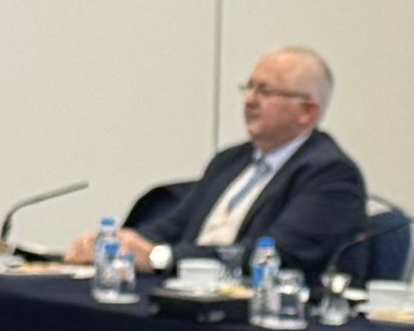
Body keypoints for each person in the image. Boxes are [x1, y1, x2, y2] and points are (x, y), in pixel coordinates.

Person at [87, 47, 373, 282]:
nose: (249, 100)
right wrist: (116, 244)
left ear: (306, 112)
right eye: (249, 88)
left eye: (265, 91)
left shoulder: (331, 175)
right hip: (190, 292)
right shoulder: (231, 160)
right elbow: (175, 225)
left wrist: (160, 257)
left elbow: (275, 255)